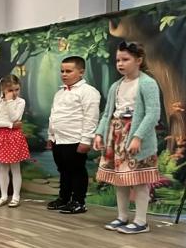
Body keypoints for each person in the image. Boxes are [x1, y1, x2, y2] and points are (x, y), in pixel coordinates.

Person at [94, 41, 162, 234]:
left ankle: (141, 221)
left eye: (125, 59)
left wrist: (138, 137)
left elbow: (153, 114)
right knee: (120, 179)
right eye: (118, 60)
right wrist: (99, 133)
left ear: (138, 60)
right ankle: (122, 216)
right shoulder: (116, 86)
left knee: (140, 179)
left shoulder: (147, 83)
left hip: (136, 136)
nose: (120, 64)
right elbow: (107, 114)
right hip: (116, 136)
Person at [47, 56, 101, 214]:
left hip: (75, 139)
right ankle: (63, 198)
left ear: (81, 72)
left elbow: (91, 118)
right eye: (62, 71)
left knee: (77, 170)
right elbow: (53, 115)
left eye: (69, 71)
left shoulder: (88, 92)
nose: (64, 74)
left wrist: (86, 140)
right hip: (58, 139)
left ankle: (78, 201)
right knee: (63, 170)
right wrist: (51, 136)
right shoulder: (59, 93)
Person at [0, 75, 30, 207]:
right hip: (1, 136)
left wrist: (10, 101)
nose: (14, 93)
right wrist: (10, 125)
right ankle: (4, 196)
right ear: (3, 90)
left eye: (17, 89)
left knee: (15, 168)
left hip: (14, 137)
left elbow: (15, 117)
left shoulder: (20, 102)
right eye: (10, 90)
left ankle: (16, 196)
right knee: (3, 168)